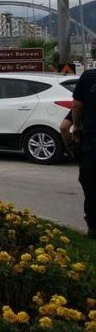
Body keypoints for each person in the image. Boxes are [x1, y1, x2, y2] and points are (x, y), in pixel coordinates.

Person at [72, 69, 96, 237]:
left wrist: (77, 127)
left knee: (91, 185)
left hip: (92, 141)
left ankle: (94, 227)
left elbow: (76, 106)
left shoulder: (88, 76)